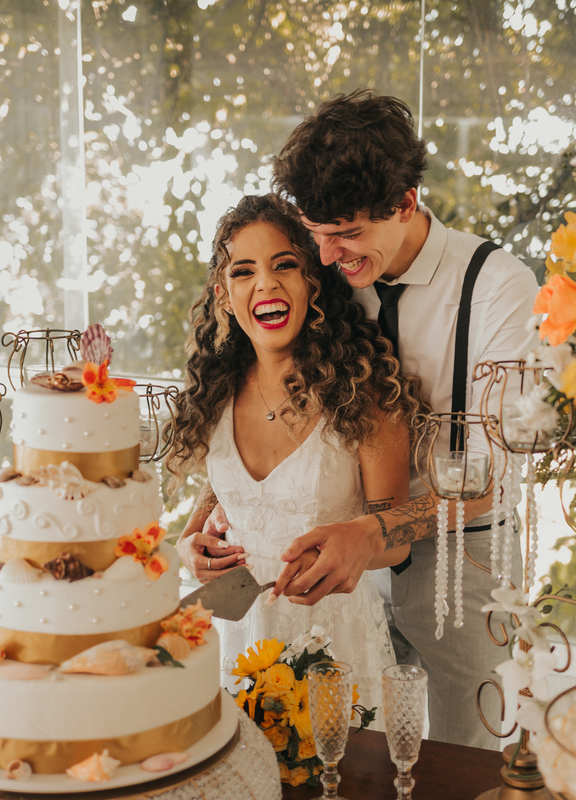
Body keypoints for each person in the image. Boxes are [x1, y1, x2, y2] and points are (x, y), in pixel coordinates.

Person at [204, 90, 540, 747]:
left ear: (406, 202)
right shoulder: (329, 266)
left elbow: (494, 477)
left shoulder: (498, 288)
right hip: (333, 569)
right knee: (352, 755)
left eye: (347, 234)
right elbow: (280, 410)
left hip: (461, 569)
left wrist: (376, 529)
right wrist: (210, 512)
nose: (328, 258)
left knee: (458, 760)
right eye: (318, 236)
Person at [168, 194, 421, 718]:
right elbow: (227, 493)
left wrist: (352, 550)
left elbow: (395, 538)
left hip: (335, 644)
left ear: (312, 281)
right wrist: (187, 542)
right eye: (244, 272)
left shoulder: (364, 391)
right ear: (224, 294)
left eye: (285, 264)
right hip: (232, 639)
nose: (266, 284)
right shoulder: (215, 392)